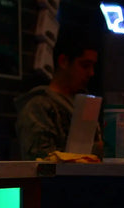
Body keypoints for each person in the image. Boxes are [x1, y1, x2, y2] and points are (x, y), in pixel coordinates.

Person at [14, 29, 101, 159]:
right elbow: (41, 159)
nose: (91, 73)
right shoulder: (38, 106)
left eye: (93, 66)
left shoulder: (83, 104)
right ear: (64, 61)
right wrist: (96, 150)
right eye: (85, 65)